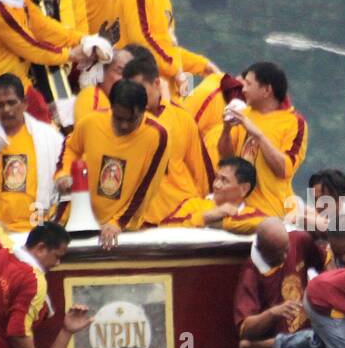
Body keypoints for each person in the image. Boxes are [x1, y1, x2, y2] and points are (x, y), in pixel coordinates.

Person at [54, 80, 171, 247]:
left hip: (123, 227)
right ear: (111, 107)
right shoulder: (92, 122)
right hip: (77, 219)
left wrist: (118, 222)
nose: (124, 125)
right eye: (118, 118)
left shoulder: (157, 135)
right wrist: (63, 174)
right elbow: (71, 146)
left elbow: (145, 187)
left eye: (131, 120)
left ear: (144, 111)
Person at [121, 47, 214, 228]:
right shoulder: (121, 120)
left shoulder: (181, 117)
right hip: (140, 219)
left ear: (156, 84)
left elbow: (201, 172)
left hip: (180, 211)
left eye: (141, 90)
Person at [0, 74, 64, 232]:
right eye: (0, 105)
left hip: (36, 228)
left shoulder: (48, 137)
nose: (7, 110)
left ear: (25, 103)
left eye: (12, 103)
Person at [218, 62, 308, 220]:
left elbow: (284, 170)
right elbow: (227, 160)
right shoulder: (243, 114)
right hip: (238, 208)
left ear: (267, 90)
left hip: (271, 211)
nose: (243, 89)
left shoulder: (294, 122)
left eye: (248, 84)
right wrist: (226, 130)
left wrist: (257, 135)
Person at [233, 218, 330, 348]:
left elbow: (327, 263)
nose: (284, 257)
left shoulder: (298, 240)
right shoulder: (251, 274)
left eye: (286, 250)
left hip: (310, 341)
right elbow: (245, 330)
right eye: (277, 253)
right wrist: (273, 313)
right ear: (261, 250)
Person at [160, 157, 269, 234]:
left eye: (224, 180)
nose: (216, 185)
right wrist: (206, 216)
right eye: (216, 178)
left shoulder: (250, 214)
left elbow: (266, 223)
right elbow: (163, 229)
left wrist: (220, 224)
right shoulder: (193, 204)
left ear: (243, 189)